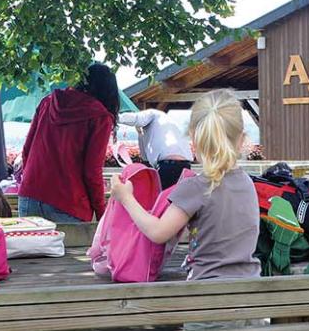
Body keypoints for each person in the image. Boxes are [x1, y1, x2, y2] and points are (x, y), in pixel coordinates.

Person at [111, 89, 263, 330]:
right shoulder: (247, 182)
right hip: (251, 299)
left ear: (193, 139)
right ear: (242, 139)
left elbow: (159, 232)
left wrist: (126, 198)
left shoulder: (197, 187)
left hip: (210, 304)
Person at [19, 63, 119, 222]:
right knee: (71, 248)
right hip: (69, 202)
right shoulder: (100, 116)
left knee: (29, 247)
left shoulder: (48, 102)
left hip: (30, 195)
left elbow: (26, 151)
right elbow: (92, 171)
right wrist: (101, 212)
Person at [118, 109, 194, 189]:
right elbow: (145, 158)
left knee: (163, 198)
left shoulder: (153, 114)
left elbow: (137, 118)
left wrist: (116, 117)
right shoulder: (168, 125)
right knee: (179, 198)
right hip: (185, 165)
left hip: (168, 164)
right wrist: (140, 134)